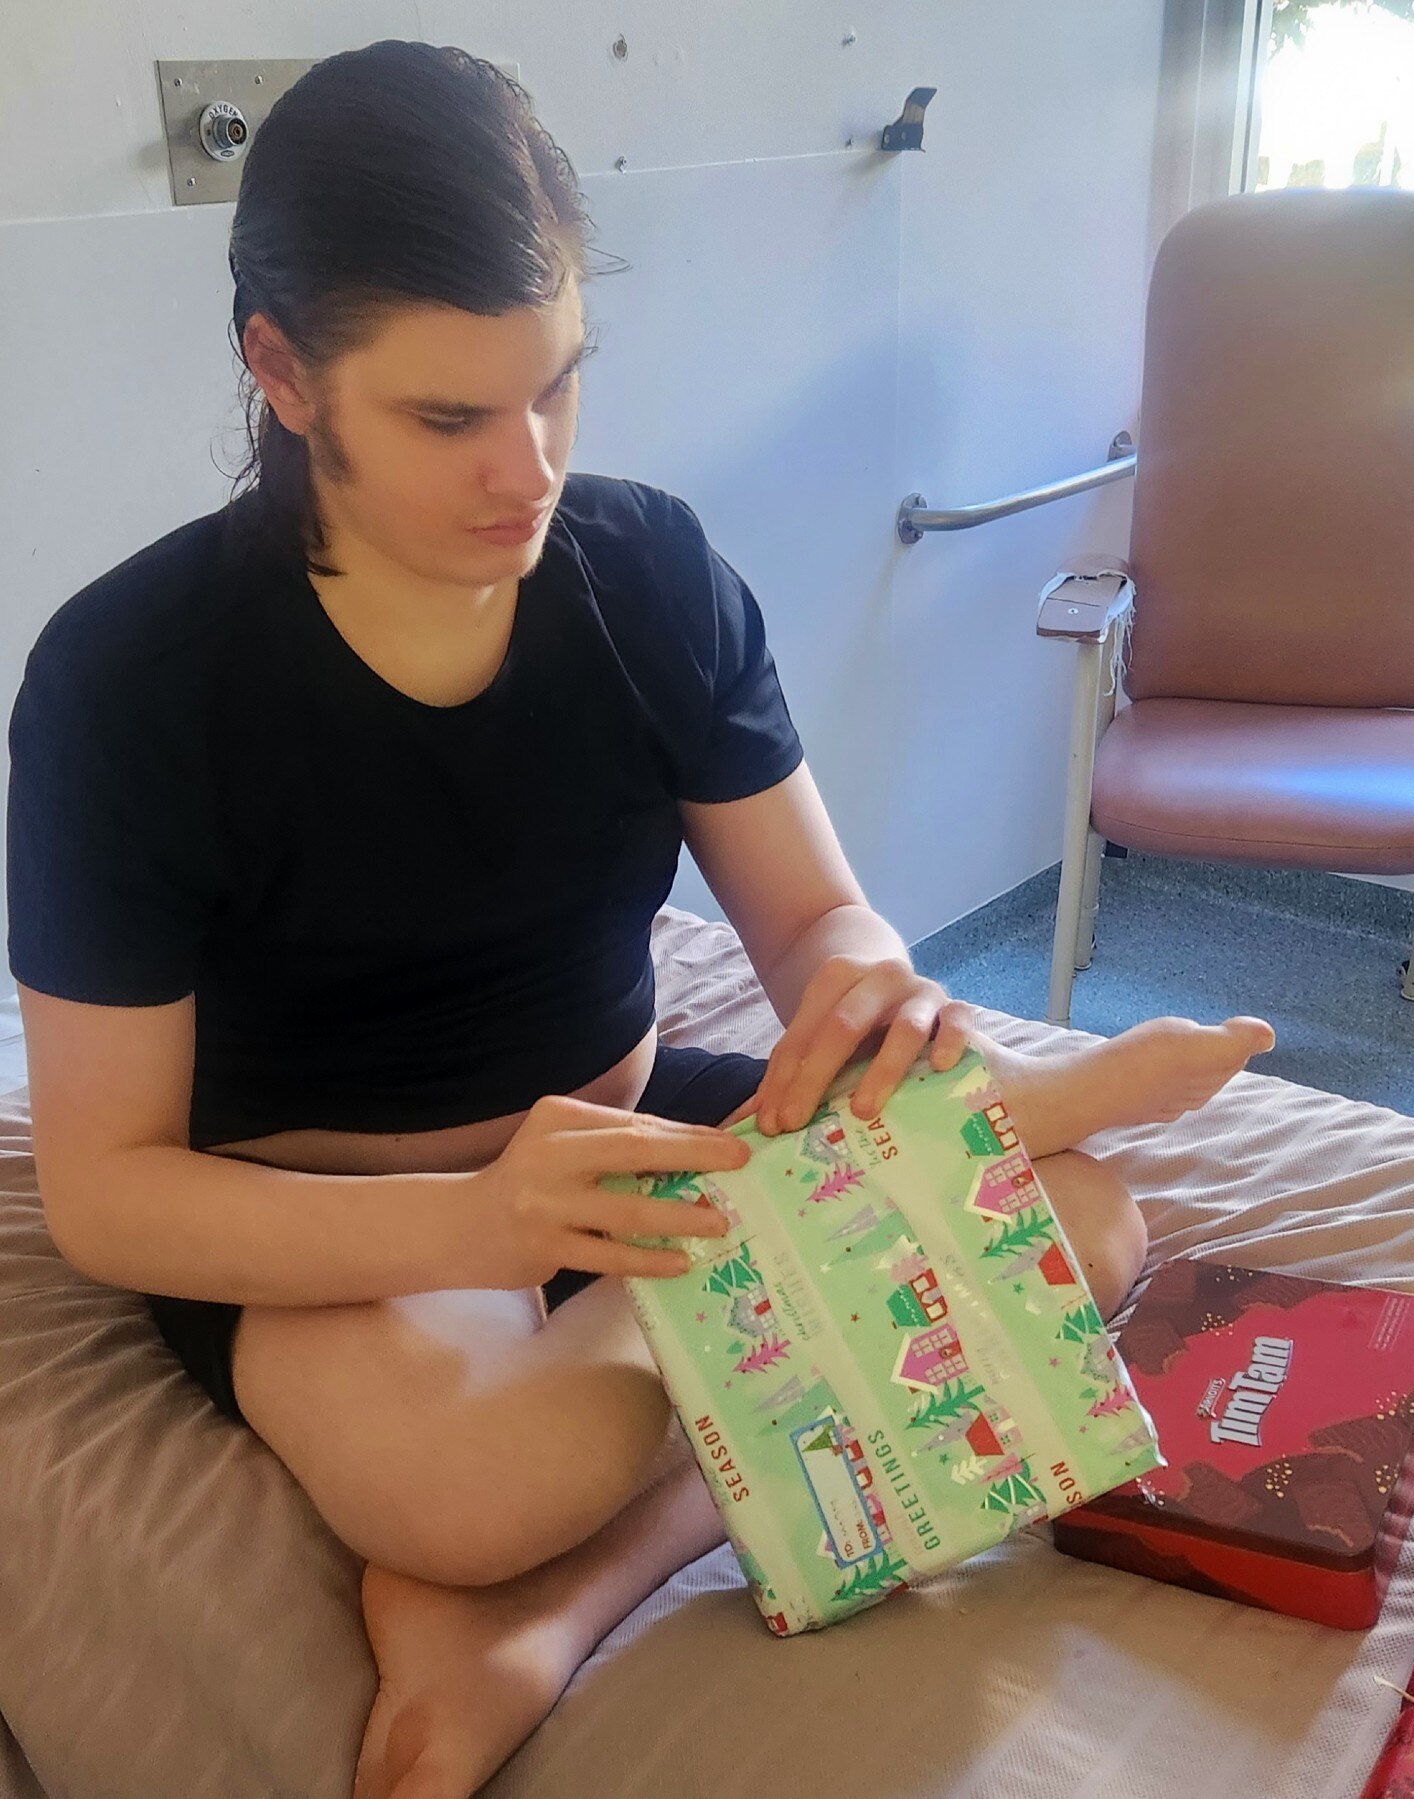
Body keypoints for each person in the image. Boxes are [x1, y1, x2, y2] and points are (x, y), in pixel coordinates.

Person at [4, 41, 1275, 1799]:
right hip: (339, 1217)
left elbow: (818, 916)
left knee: (1090, 1227)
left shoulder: (652, 576)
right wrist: (475, 1220)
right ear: (281, 374)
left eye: (559, 389)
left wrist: (870, 996)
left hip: (641, 1154)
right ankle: (759, 1286)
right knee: (461, 1490)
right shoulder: (124, 685)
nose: (526, 471)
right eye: (449, 417)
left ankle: (553, 1609)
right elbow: (109, 1188)